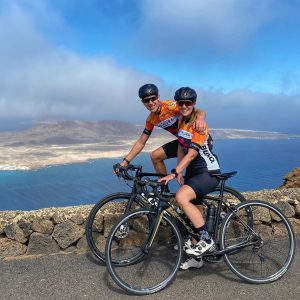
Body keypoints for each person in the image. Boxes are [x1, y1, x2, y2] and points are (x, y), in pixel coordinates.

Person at [158, 87, 221, 270]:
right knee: (194, 215)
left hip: (208, 172)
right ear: (177, 105)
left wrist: (175, 171)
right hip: (193, 172)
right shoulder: (181, 122)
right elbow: (180, 148)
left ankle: (206, 239)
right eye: (181, 103)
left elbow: (192, 154)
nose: (184, 106)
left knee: (181, 197)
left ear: (194, 104)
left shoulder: (199, 125)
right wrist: (180, 170)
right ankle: (198, 258)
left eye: (188, 103)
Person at [118, 83, 208, 175]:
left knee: (190, 179)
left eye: (153, 99)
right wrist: (125, 161)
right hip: (182, 142)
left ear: (158, 97)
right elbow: (141, 142)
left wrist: (200, 118)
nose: (150, 103)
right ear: (143, 102)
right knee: (155, 156)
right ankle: (162, 187)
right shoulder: (151, 119)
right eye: (146, 101)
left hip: (197, 140)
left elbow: (197, 110)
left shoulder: (170, 106)